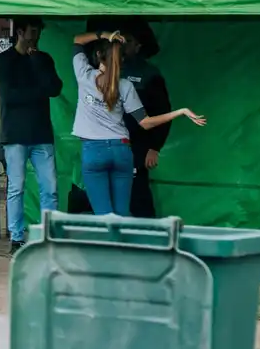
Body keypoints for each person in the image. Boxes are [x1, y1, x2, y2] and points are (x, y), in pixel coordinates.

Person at [71, 30, 204, 215]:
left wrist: (104, 35)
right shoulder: (125, 85)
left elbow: (77, 40)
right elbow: (146, 122)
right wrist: (179, 112)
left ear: (98, 56)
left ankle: (111, 244)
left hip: (94, 150)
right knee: (122, 215)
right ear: (121, 59)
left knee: (104, 216)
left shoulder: (84, 76)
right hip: (122, 150)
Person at [0, 17, 62, 252]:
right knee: (16, 188)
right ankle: (16, 237)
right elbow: (9, 97)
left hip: (42, 133)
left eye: (39, 31)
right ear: (21, 32)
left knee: (50, 187)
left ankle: (47, 234)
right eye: (33, 31)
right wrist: (37, 91)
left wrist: (35, 62)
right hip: (15, 134)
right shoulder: (4, 61)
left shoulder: (43, 59)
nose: (37, 36)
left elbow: (55, 88)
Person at [120, 28, 172, 218]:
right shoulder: (108, 69)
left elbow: (163, 113)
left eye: (128, 40)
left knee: (138, 196)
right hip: (108, 143)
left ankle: (149, 238)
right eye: (119, 39)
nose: (122, 44)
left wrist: (154, 147)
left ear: (138, 45)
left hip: (137, 146)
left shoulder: (149, 74)